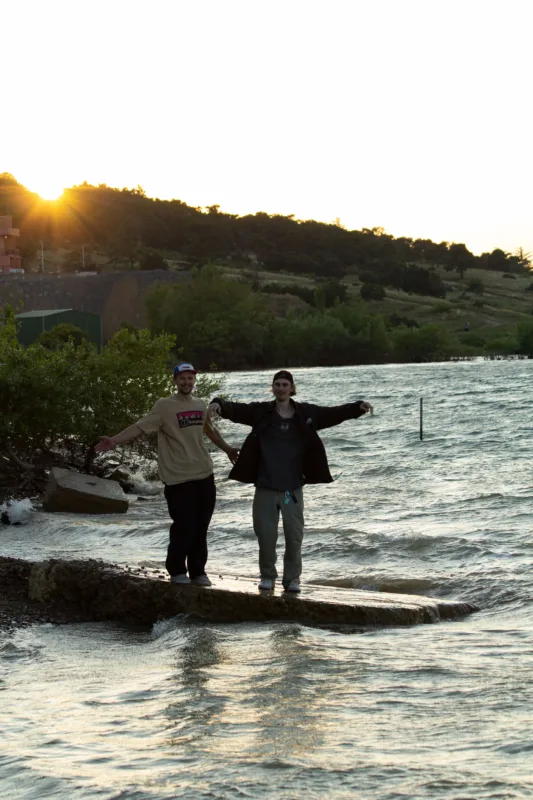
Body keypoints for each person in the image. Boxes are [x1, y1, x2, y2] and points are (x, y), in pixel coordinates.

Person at [209, 370, 373, 593]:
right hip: (266, 487)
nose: (280, 388)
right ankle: (267, 576)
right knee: (266, 536)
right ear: (272, 387)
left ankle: (292, 579)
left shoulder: (306, 413)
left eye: (285, 384)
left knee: (294, 535)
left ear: (292, 388)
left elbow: (333, 413)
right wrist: (218, 404)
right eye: (277, 384)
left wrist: (357, 407)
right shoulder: (261, 412)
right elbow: (237, 409)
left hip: (291, 490)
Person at [95, 363, 239, 586]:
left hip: (204, 474)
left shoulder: (200, 405)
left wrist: (228, 448)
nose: (186, 382)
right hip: (177, 477)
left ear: (194, 381)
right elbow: (140, 427)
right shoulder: (164, 406)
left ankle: (198, 571)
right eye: (182, 378)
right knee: (183, 525)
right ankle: (177, 570)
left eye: (190, 378)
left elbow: (210, 430)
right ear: (175, 381)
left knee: (201, 526)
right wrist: (114, 440)